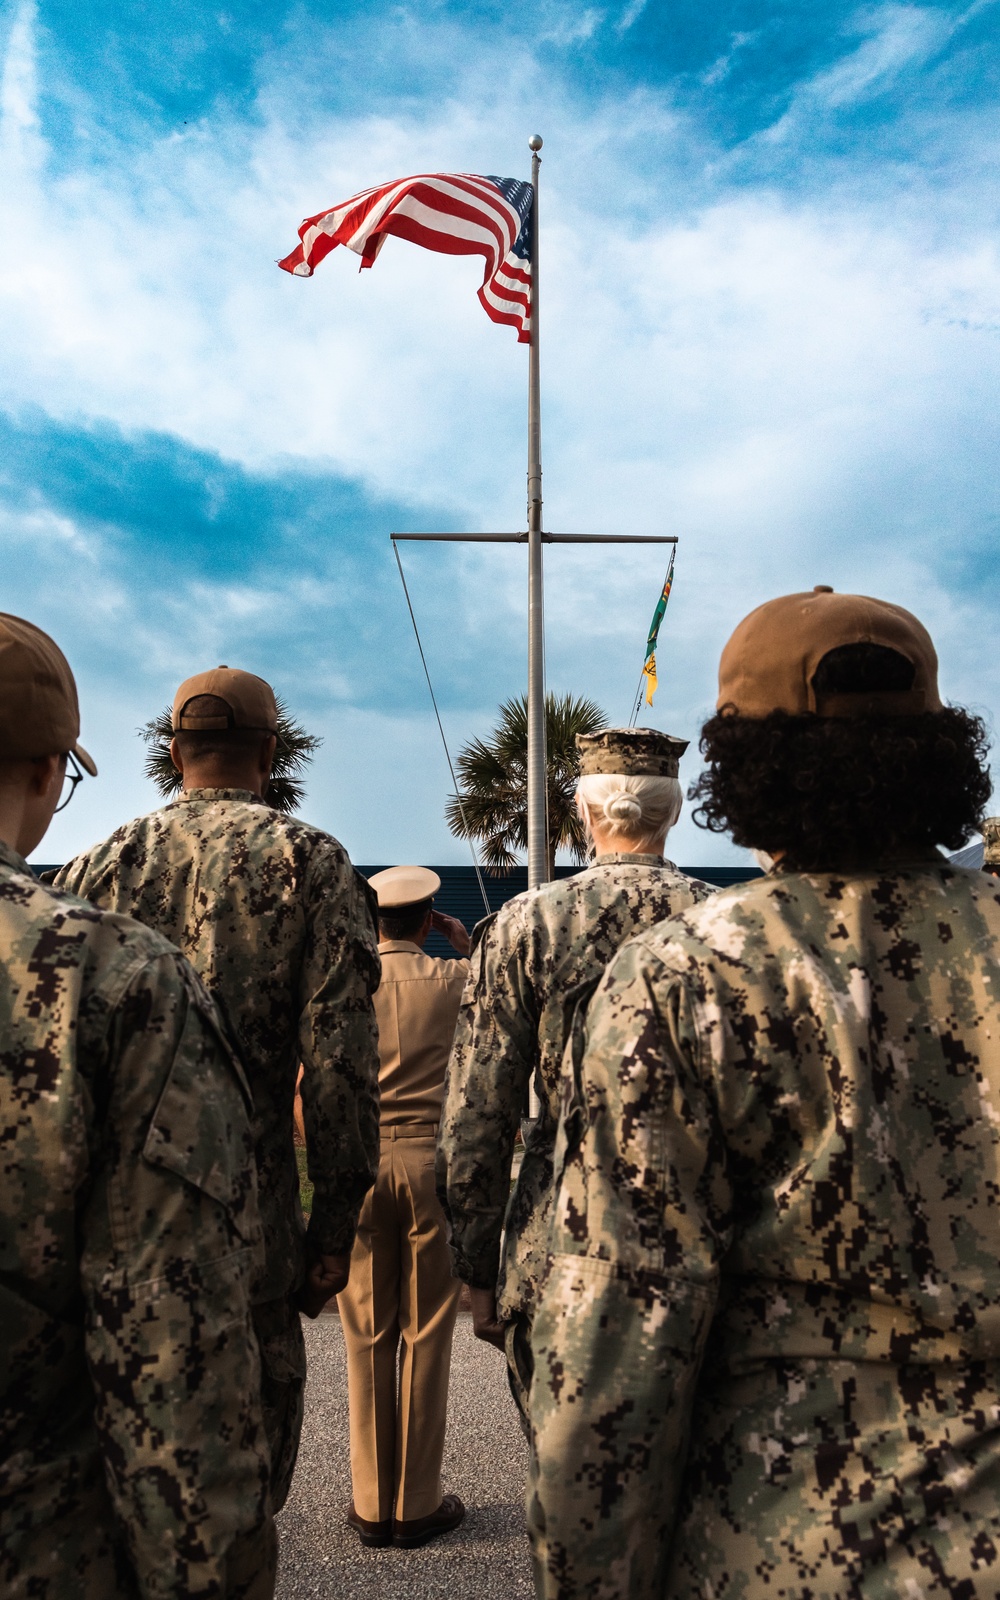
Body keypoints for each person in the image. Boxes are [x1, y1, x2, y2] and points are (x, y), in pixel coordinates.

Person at [527, 586, 1000, 1599]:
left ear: (743, 761)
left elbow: (616, 1346)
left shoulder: (688, 975)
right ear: (939, 748)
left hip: (787, 1540)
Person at [55, 665, 381, 1511]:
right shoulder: (312, 863)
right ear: (270, 751)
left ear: (173, 752)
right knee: (242, 1501)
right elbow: (339, 1063)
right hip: (252, 1226)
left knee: (122, 1499)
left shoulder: (98, 865)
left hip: (113, 1229)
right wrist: (333, 1230)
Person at [0, 615, 274, 1598]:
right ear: (43, 771)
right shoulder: (109, 971)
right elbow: (167, 1353)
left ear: (175, 751)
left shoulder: (109, 864)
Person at [437, 728, 714, 1422]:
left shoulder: (524, 925)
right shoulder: (725, 921)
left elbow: (479, 1109)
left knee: (568, 1501)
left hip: (558, 1243)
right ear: (672, 811)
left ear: (586, 814)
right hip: (704, 1244)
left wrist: (476, 1264)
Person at [339, 866, 471, 1550]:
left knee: (365, 1333)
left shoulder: (346, 984)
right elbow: (501, 984)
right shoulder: (451, 981)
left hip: (362, 1164)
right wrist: (462, 939)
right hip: (429, 1163)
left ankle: (369, 1502)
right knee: (426, 1333)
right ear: (425, 920)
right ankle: (415, 1503)